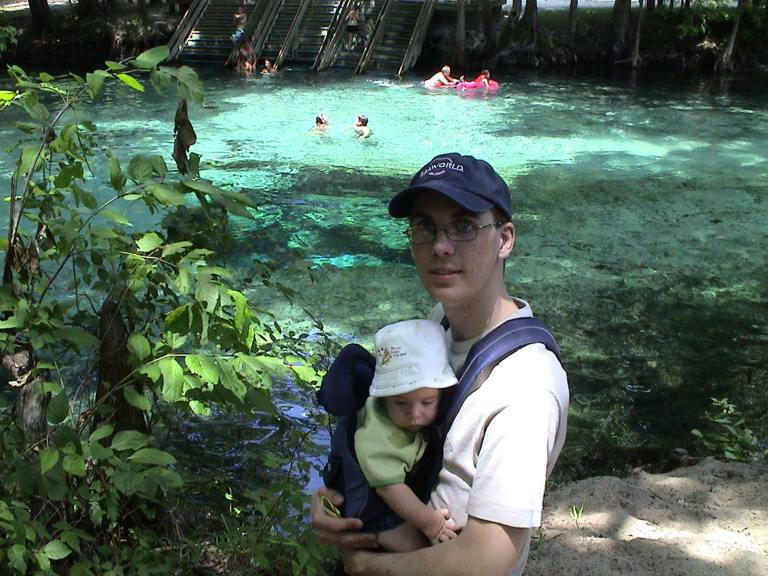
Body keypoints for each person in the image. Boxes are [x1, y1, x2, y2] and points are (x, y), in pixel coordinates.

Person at [310, 152, 570, 576]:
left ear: (505, 239)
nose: (440, 246)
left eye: (464, 225)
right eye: (424, 227)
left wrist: (366, 567)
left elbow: (489, 559)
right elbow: (388, 430)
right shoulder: (440, 325)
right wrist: (329, 501)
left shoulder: (525, 388)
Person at [349, 319, 459, 551]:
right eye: (400, 403)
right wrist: (431, 522)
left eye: (427, 402)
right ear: (383, 398)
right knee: (417, 551)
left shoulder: (409, 412)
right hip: (374, 510)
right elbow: (389, 488)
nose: (415, 415)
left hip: (399, 493)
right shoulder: (379, 435)